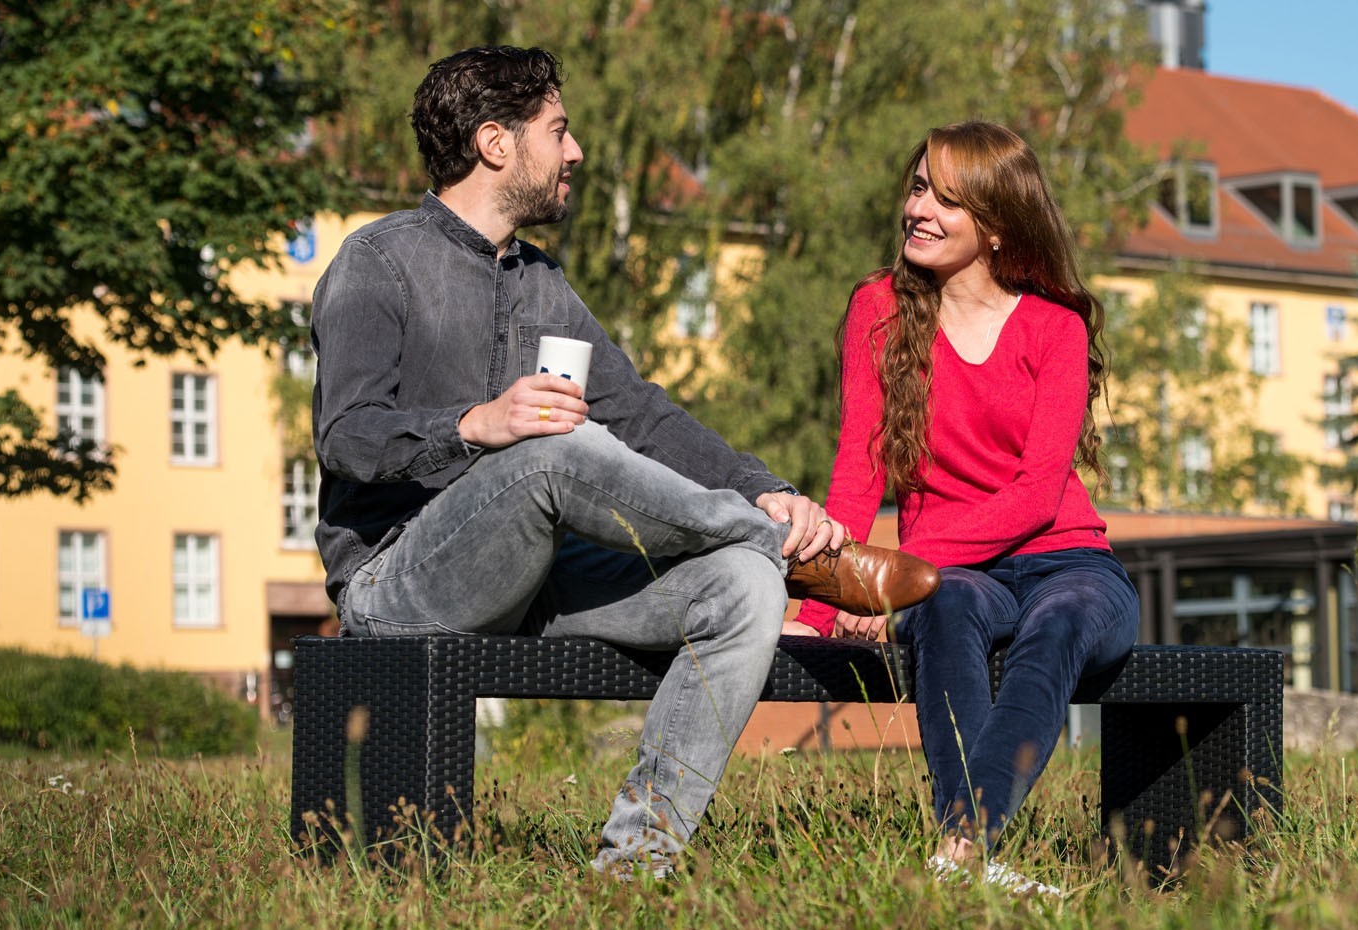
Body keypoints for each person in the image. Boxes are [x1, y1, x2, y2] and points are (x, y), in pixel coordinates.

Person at [310, 45, 939, 879]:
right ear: (495, 143)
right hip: (396, 584)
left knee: (741, 589)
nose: (574, 152)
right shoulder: (377, 262)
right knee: (552, 448)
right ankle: (783, 552)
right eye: (558, 131)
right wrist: (478, 423)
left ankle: (636, 863)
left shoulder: (542, 282)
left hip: (534, 583)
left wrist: (767, 487)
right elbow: (346, 435)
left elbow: (641, 415)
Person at [788, 122, 1140, 895]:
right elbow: (856, 474)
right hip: (955, 574)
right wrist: (820, 609)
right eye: (918, 188)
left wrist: (895, 579)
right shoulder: (878, 309)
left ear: (996, 224)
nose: (921, 209)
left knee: (1058, 622)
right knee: (947, 609)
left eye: (948, 199)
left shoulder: (1056, 327)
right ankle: (973, 861)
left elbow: (1035, 495)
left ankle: (961, 847)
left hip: (1067, 562)